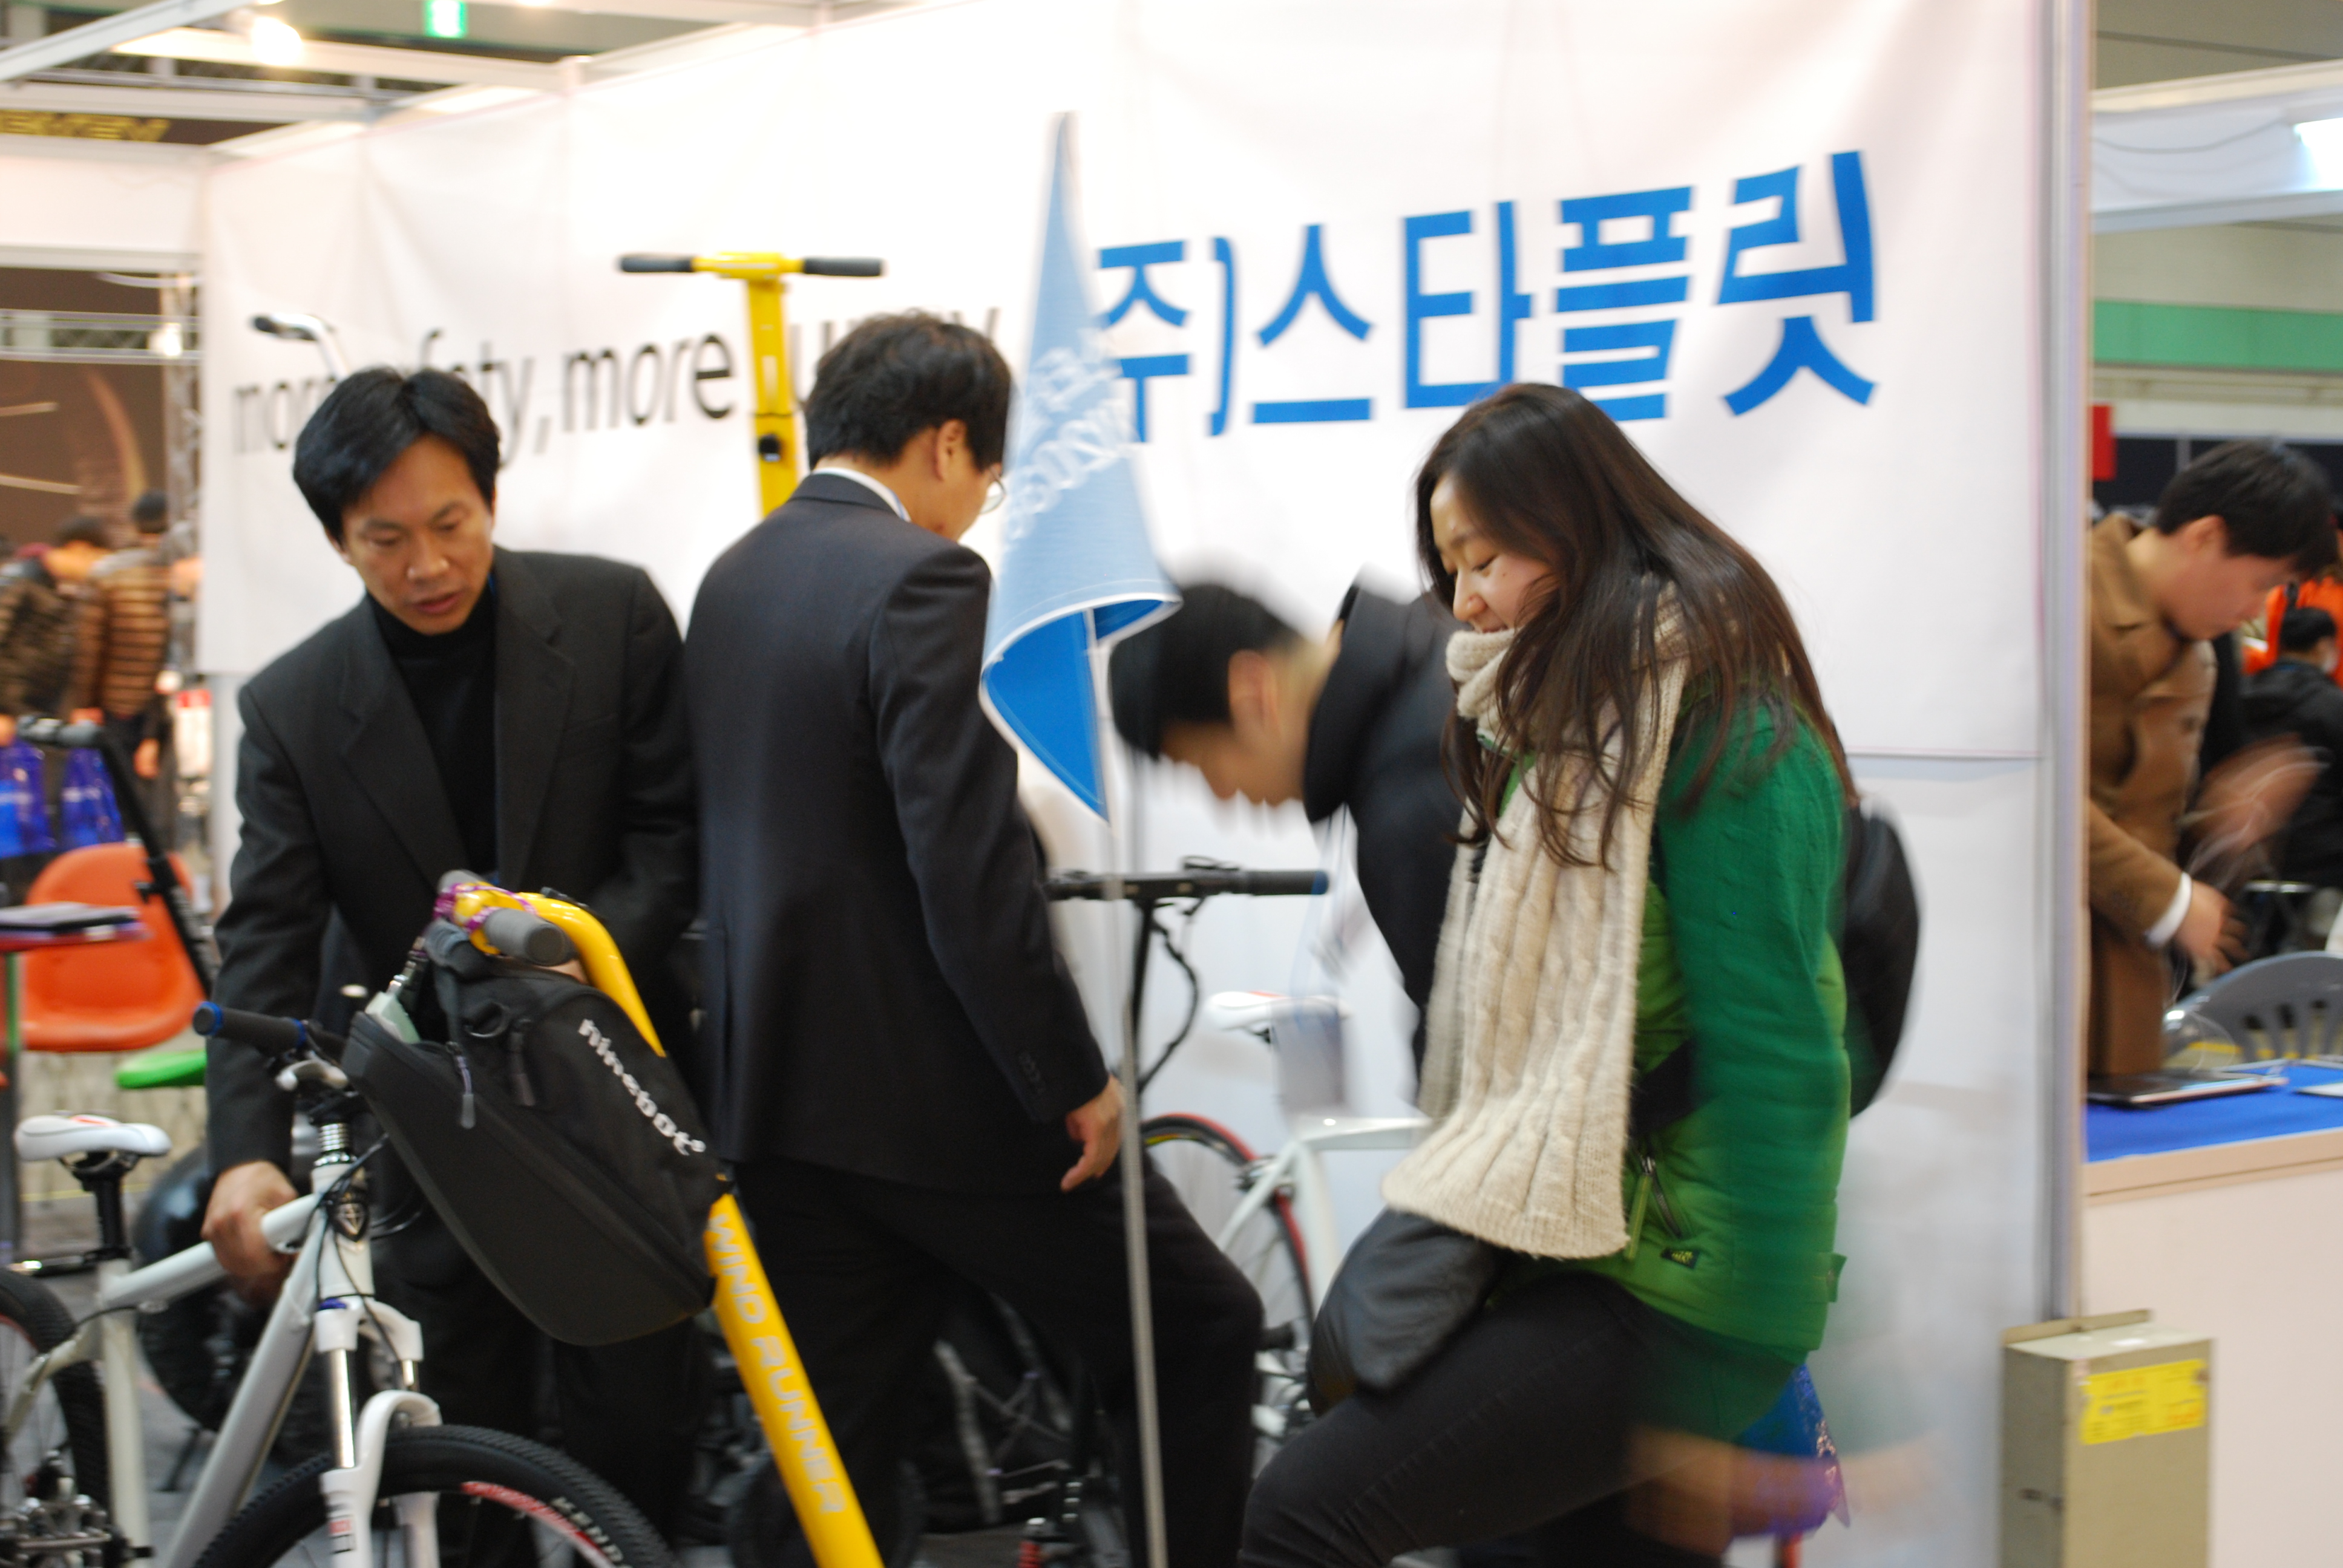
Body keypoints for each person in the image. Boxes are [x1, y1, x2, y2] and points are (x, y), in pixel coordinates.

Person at [1241, 384, 1852, 1567]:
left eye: (1484, 558)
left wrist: (1738, 1374)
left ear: (1577, 525)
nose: (1463, 597)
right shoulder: (1554, 739)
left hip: (1677, 1290)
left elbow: (1783, 1054)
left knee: (1298, 1518)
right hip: (1568, 1243)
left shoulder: (1726, 737)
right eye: (1448, 565)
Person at [685, 312, 1260, 1567]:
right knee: (1200, 1328)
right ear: (948, 442)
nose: (976, 512)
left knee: (831, 1455)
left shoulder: (731, 579)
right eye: (987, 478)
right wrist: (1068, 1077)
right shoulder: (924, 579)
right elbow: (968, 864)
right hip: (939, 1110)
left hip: (774, 1104)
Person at [200, 367, 704, 1536]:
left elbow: (673, 840)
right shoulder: (294, 707)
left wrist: (565, 961)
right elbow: (266, 938)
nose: (426, 565)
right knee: (462, 1446)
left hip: (609, 1104)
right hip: (429, 1129)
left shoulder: (612, 617)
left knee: (640, 1432)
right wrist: (243, 1152)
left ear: (490, 499)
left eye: (450, 523)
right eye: (385, 540)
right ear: (339, 540)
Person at [1108, 580, 1461, 1068]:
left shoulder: (1407, 816)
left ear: (1253, 694)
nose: (1221, 794)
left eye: (1203, 762)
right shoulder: (1439, 621)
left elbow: (1471, 1068)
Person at [2087, 440, 2336, 1077]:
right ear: (2204, 536)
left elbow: (2138, 820)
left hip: (2124, 991)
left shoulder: (2197, 649)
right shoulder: (2062, 605)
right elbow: (2033, 796)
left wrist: (2222, 825)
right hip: (2037, 982)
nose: (2255, 611)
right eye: (2261, 584)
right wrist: (2170, 899)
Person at [70, 489, 174, 832]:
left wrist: (85, 702)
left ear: (136, 523)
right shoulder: (187, 568)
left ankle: (133, 851)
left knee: (126, 794)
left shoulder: (109, 573)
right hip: (177, 702)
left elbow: (90, 645)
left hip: (122, 704)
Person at [2243, 606, 2343, 892]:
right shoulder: (2331, 704)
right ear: (2324, 646)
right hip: (2321, 858)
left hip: (2244, 855)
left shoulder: (2239, 695)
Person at [0, 515, 109, 745]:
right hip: (10, 713)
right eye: (97, 559)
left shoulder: (62, 588)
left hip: (35, 712)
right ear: (79, 549)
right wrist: (3, 710)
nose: (97, 569)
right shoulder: (21, 581)